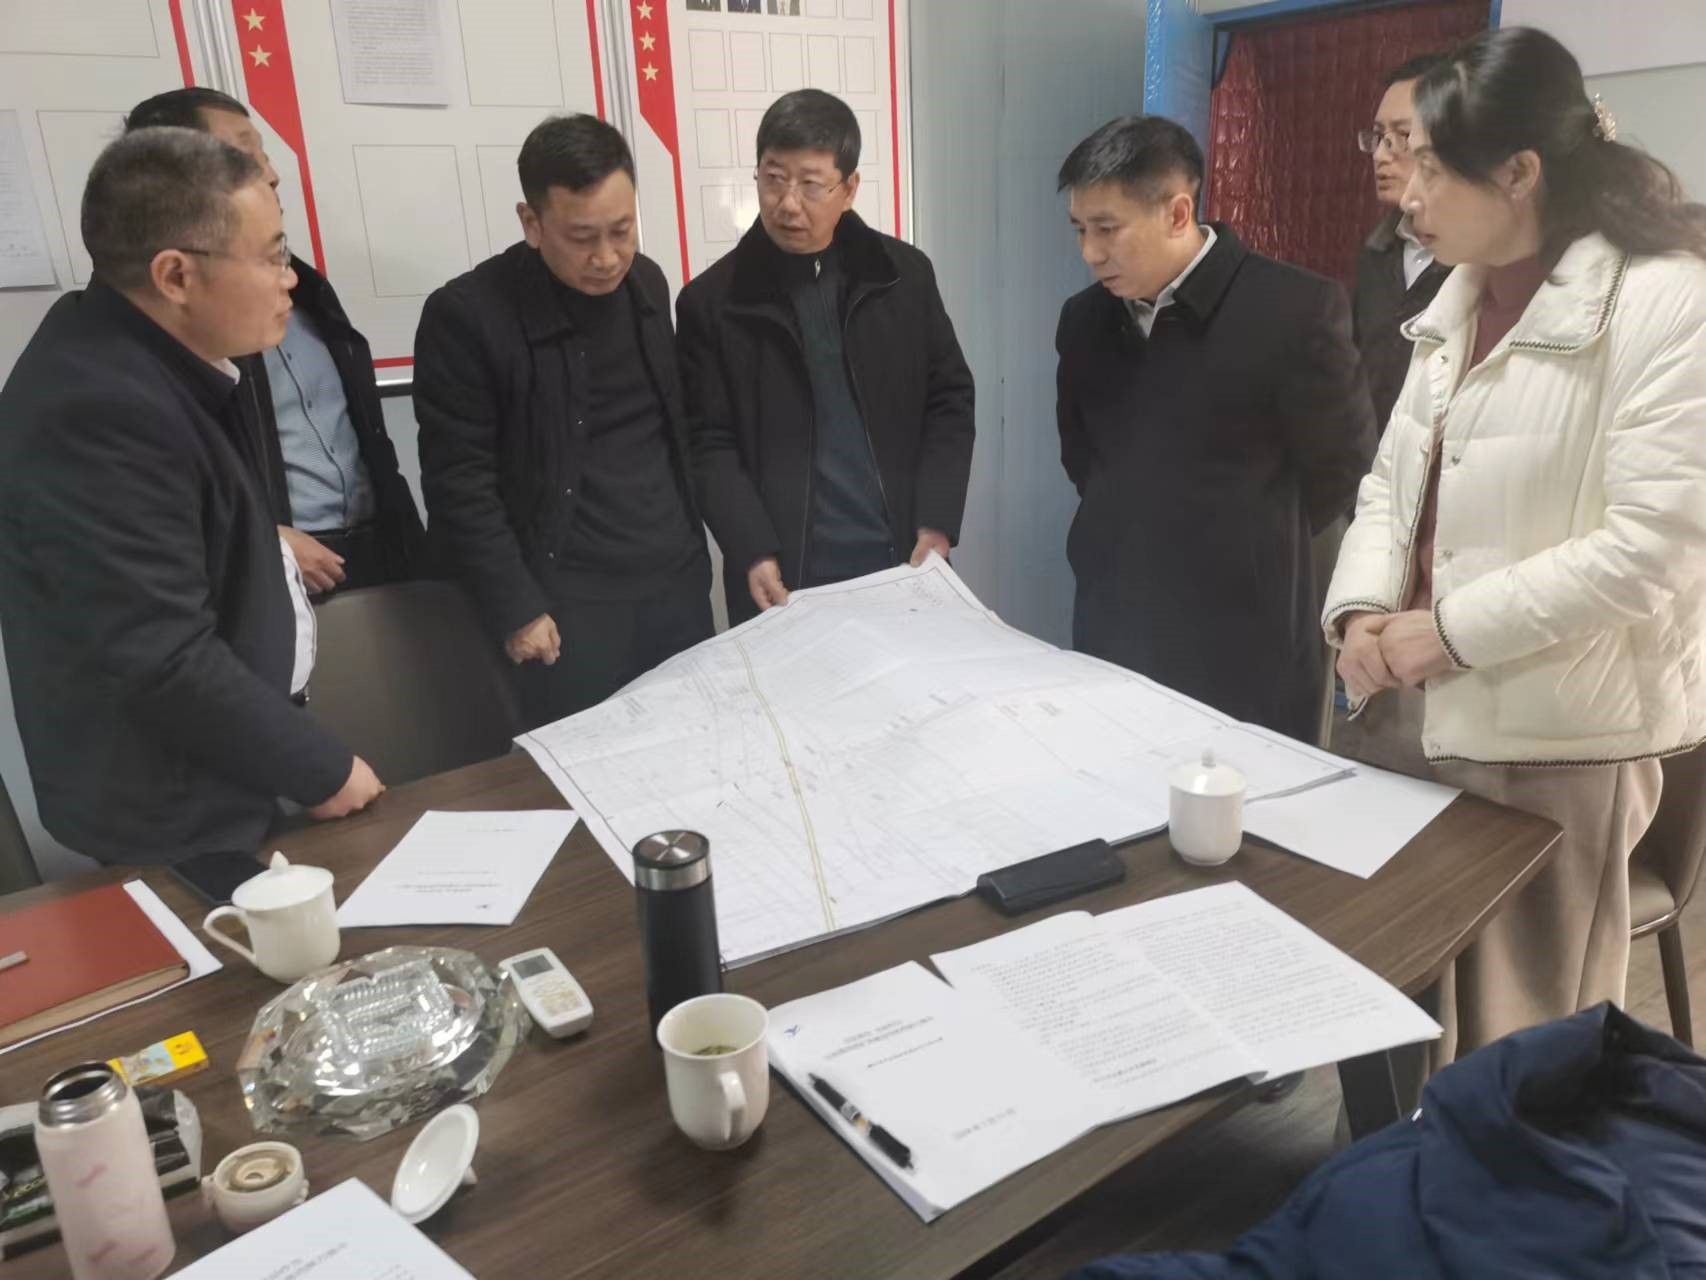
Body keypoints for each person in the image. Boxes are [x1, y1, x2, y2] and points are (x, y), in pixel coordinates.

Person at [1325, 26, 1706, 1079]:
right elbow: (1389, 483)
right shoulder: (1455, 297)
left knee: (1520, 1050)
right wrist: (1358, 611)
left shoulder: (1664, 300)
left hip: (1550, 736)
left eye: (1431, 167)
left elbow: (1652, 548)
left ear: (1518, 171)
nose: (1405, 193)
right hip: (1402, 705)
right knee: (1386, 1012)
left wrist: (1443, 634)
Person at [0, 128, 382, 865]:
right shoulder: (98, 408)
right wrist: (321, 769)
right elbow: (159, 653)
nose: (289, 279)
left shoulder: (156, 358)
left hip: (224, 767)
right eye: (270, 256)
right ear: (175, 276)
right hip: (174, 804)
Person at [1055, 116, 1376, 741]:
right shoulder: (1085, 320)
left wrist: (1243, 537)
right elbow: (1082, 455)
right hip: (1115, 611)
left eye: (1108, 229)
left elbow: (1343, 469)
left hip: (1244, 632)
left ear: (1178, 214)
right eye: (1080, 230)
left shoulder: (1293, 310)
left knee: (1249, 789)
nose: (1090, 252)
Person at [415, 115, 712, 725]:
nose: (607, 257)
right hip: (567, 604)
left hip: (674, 586)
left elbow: (668, 430)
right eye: (581, 238)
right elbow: (460, 483)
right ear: (532, 222)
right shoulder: (468, 316)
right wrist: (516, 606)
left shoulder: (648, 284)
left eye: (622, 230)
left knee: (694, 743)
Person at [678, 89, 974, 624]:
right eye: (773, 179)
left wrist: (937, 519)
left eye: (811, 184)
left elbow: (949, 397)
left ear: (849, 188)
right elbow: (708, 442)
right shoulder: (712, 303)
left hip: (902, 558)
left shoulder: (903, 276)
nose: (788, 203)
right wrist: (752, 548)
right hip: (785, 574)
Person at [125, 88, 426, 594]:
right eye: (246, 155)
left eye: (264, 155)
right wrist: (267, 543)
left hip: (373, 546)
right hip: (277, 566)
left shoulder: (306, 291)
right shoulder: (165, 334)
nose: (271, 174)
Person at [1353, 53, 1454, 434]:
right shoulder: (1377, 253)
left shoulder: (1480, 263)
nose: (1381, 154)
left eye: (1402, 136)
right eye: (1379, 137)